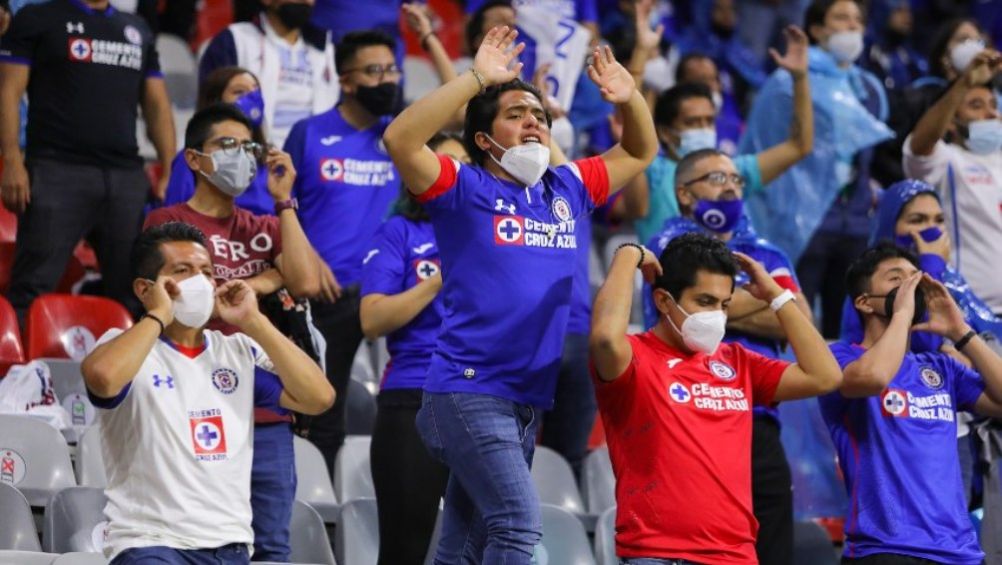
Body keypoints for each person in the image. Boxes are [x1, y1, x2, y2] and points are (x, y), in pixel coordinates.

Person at [383, 25, 657, 562]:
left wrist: (632, 97)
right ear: (483, 141)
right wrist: (478, 78)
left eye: (540, 116)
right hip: (466, 391)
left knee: (465, 544)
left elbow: (641, 150)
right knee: (516, 525)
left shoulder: (568, 188)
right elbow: (399, 140)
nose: (534, 121)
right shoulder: (462, 188)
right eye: (515, 114)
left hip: (526, 402)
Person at [80, 222, 333, 564]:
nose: (199, 281)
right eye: (182, 271)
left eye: (207, 272)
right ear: (145, 288)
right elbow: (103, 379)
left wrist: (254, 321)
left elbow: (319, 398)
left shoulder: (237, 351)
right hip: (151, 544)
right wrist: (157, 314)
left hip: (230, 546)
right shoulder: (122, 346)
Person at [590, 232, 842, 564]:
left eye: (725, 305)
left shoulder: (738, 361)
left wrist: (777, 298)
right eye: (705, 301)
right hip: (659, 555)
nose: (718, 316)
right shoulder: (634, 357)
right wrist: (627, 255)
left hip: (735, 556)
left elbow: (826, 375)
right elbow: (606, 338)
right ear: (664, 301)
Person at [143, 103, 320, 560]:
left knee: (272, 547)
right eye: (227, 145)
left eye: (248, 147)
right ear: (194, 159)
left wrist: (284, 200)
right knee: (200, 541)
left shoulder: (264, 226)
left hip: (264, 407)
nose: (241, 154)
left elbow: (305, 281)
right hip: (194, 399)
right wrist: (266, 278)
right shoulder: (168, 224)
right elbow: (188, 303)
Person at [643, 149, 812, 565]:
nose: (732, 187)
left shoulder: (766, 252)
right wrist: (771, 298)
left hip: (758, 415)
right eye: (718, 178)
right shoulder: (670, 244)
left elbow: (800, 321)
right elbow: (699, 317)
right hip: (690, 410)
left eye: (737, 180)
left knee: (772, 546)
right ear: (684, 193)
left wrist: (725, 307)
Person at [821, 242, 1002, 564]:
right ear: (864, 302)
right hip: (885, 549)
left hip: (962, 553)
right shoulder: (841, 359)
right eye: (896, 279)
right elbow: (873, 378)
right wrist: (902, 315)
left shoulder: (939, 368)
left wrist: (961, 331)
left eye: (913, 277)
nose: (911, 286)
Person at [0, 0, 175, 323]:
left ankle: (130, 371)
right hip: (56, 170)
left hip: (126, 176)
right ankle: (16, 372)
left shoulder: (137, 28)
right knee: (32, 288)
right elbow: (8, 91)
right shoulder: (38, 18)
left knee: (138, 292)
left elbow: (157, 104)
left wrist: (168, 167)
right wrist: (12, 160)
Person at [283, 29, 402, 471]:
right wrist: (311, 261)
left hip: (391, 295)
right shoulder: (309, 133)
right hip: (327, 297)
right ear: (346, 80)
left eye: (391, 69)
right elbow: (281, 205)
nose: (386, 79)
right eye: (374, 71)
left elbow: (459, 121)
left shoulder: (399, 137)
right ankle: (317, 497)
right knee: (322, 412)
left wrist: (430, 41)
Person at [740, 0, 893, 339]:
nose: (851, 27)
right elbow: (764, 148)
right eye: (841, 18)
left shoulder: (868, 88)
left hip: (853, 224)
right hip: (800, 224)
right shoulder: (786, 83)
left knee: (852, 330)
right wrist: (781, 213)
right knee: (796, 327)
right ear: (817, 29)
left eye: (858, 20)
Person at [361, 133, 464, 565]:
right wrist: (441, 276)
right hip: (413, 399)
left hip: (487, 401)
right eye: (442, 162)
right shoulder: (400, 231)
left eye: (464, 164)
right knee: (404, 551)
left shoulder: (500, 233)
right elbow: (373, 320)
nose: (453, 173)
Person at [633, 24, 814, 246]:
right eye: (692, 122)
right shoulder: (651, 170)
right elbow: (636, 203)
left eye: (709, 121)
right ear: (665, 133)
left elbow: (799, 146)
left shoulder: (732, 174)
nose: (703, 129)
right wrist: (641, 53)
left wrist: (800, 78)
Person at [903, 47, 1002, 317]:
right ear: (951, 122)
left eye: (993, 105)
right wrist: (964, 83)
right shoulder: (946, 160)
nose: (991, 114)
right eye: (976, 106)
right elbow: (918, 146)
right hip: (970, 312)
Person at [199, 0, 337, 148]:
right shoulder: (234, 39)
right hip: (252, 152)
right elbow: (211, 106)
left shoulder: (325, 48)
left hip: (313, 155)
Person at [162, 67, 274, 216]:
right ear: (216, 100)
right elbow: (176, 217)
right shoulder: (193, 159)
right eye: (239, 92)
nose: (252, 98)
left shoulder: (270, 161)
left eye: (255, 92)